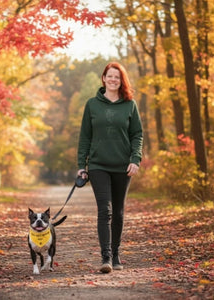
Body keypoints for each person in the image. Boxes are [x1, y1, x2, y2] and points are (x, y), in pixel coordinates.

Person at [77, 62, 143, 273]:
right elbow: (85, 136)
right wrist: (81, 165)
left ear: (121, 80)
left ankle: (116, 255)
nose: (113, 79)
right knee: (104, 211)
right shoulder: (91, 104)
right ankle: (106, 258)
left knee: (119, 213)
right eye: (110, 76)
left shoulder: (129, 105)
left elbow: (137, 135)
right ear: (103, 78)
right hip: (98, 166)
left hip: (123, 166)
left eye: (117, 77)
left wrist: (135, 159)